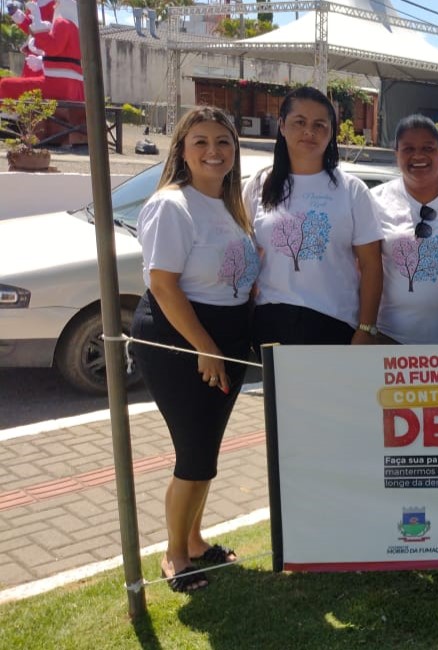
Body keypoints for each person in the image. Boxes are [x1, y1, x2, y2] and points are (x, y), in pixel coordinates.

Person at [129, 106, 257, 592]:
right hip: (181, 340)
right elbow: (163, 286)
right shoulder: (171, 205)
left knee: (208, 451)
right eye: (200, 141)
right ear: (182, 148)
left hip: (226, 339)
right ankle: (175, 556)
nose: (213, 151)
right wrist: (204, 346)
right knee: (194, 454)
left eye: (223, 141)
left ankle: (198, 540)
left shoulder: (230, 204)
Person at [244, 85, 384, 346]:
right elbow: (247, 255)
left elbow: (371, 265)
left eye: (320, 125)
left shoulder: (352, 190)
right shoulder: (259, 184)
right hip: (270, 322)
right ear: (282, 126)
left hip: (334, 323)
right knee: (280, 390)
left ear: (331, 132)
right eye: (300, 122)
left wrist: (367, 328)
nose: (309, 131)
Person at [371, 114, 438, 344]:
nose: (418, 156)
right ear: (396, 154)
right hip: (388, 337)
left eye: (428, 148)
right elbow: (362, 269)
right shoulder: (375, 200)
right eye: (408, 148)